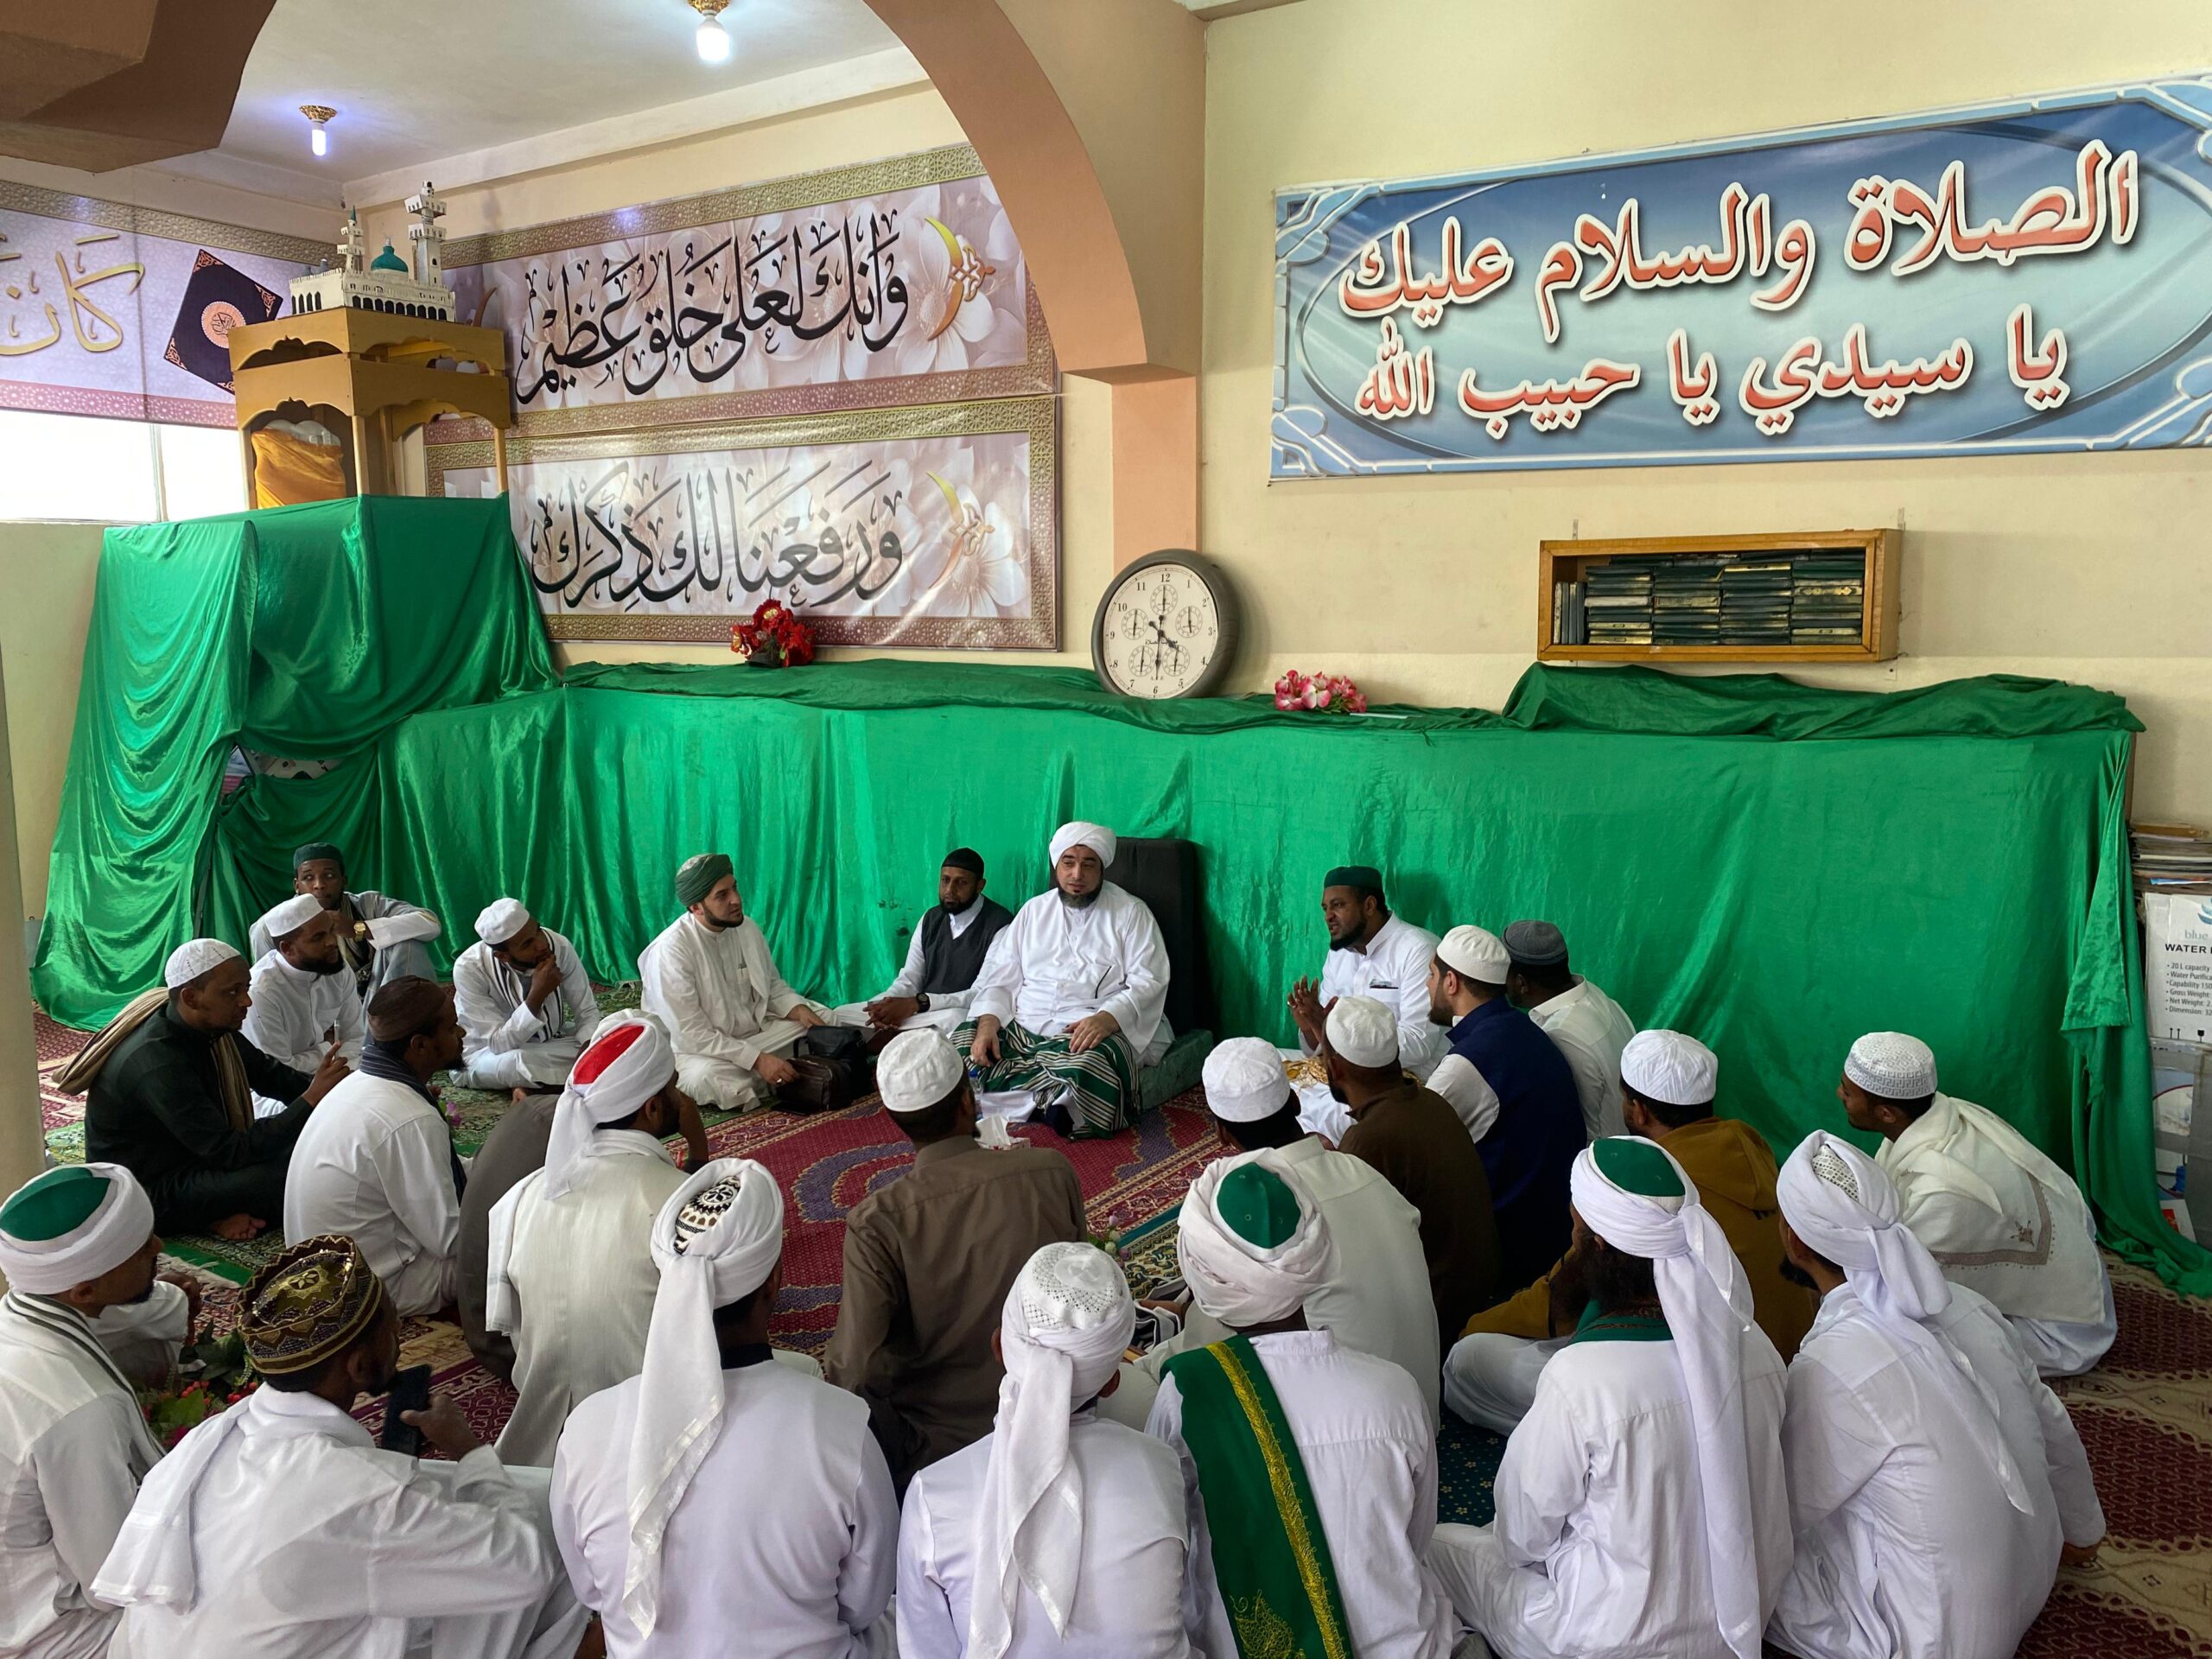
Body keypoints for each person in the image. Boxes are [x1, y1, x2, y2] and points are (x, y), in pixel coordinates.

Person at [93, 1234, 586, 1659]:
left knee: (519, 1498)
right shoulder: (355, 1490)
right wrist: (470, 1451)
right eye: (392, 1325)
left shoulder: (214, 1437)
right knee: (562, 1536)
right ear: (358, 1366)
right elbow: (527, 1568)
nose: (399, 1337)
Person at [1427, 1137, 1792, 1659]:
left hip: (1606, 1640)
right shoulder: (1758, 1350)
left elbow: (1521, 1537)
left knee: (1438, 1545)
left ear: (1597, 1244)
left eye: (1575, 1229)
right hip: (1739, 1621)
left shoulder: (1579, 1377)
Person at [1766, 1132, 2107, 1659]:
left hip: (1941, 1637)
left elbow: (1785, 1508)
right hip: (2034, 1573)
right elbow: (2052, 1421)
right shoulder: (1965, 1302)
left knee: (1745, 1541)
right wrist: (2082, 1532)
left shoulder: (1832, 1366)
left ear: (1794, 1240)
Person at [552, 1159, 898, 1658]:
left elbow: (590, 1591)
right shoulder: (841, 1428)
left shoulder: (586, 1428)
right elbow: (864, 1603)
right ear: (774, 1281)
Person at [1148, 1153, 1458, 1659]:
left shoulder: (1188, 1395)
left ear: (1208, 1278)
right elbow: (1416, 1538)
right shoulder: (1394, 1388)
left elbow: (1170, 1552)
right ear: (1312, 1254)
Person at [1446, 1030, 1816, 1433]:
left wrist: (1472, 1326)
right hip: (1776, 1367)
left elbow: (1560, 1298)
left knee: (1471, 1357)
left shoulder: (1651, 1184)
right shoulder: (1752, 1149)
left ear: (1638, 1111)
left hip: (1701, 1385)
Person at [1115, 1036, 1441, 1427]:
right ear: (1297, 1103)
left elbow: (1207, 1345)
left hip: (1340, 1420)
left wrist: (1142, 1362)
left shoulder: (1257, 1225)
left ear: (1222, 1134)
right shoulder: (1362, 1171)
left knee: (1130, 1392)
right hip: (1419, 1406)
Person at [899, 1243, 1191, 1659]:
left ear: (1000, 1348)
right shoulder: (1161, 1467)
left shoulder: (932, 1497)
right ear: (1113, 1380)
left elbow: (926, 1649)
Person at [824, 1029, 1088, 1487]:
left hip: (940, 1455)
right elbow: (1088, 1293)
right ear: (968, 1101)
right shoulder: (1050, 1171)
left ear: (892, 1118)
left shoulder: (878, 1222)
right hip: (1061, 1421)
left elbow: (855, 1371)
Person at [487, 1011, 710, 1464]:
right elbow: (712, 1331)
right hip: (647, 1443)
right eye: (673, 1087)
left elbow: (516, 1331)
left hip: (540, 1442)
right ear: (652, 1108)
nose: (682, 1097)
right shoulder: (680, 1199)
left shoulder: (524, 1195)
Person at [1841, 1032, 2116, 1376]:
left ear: (1886, 1113)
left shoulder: (1943, 1192)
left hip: (2060, 1334)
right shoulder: (1948, 1114)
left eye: (1847, 1093)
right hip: (2070, 1283)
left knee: (1894, 1337)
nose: (1839, 1096)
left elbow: (1909, 1289)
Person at [0, 1164, 170, 1659]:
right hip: (56, 1638)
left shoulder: (16, 1320)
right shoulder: (81, 1409)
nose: (158, 1246)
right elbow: (112, 1580)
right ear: (84, 1292)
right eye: (140, 1248)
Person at [84, 939, 347, 1241]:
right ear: (191, 998)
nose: (246, 1001)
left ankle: (217, 1213)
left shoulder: (212, 1030)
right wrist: (311, 1100)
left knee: (315, 1144)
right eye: (232, 992)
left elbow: (273, 1077)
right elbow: (230, 1152)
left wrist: (342, 1094)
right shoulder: (157, 1062)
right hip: (148, 1191)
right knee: (294, 1170)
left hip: (196, 1157)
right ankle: (201, 1217)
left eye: (246, 988)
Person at [959, 823, 1173, 1138]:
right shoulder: (1033, 911)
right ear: (1056, 866)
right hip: (1025, 1022)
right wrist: (988, 1024)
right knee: (960, 1046)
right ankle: (1046, 1104)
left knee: (1090, 1065)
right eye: (1068, 863)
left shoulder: (1131, 913)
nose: (1077, 875)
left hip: (1086, 1026)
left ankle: (1013, 1102)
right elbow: (1001, 978)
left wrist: (1108, 1019)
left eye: (1088, 865)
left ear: (1102, 869)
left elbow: (1149, 980)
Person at [283, 977, 466, 1318]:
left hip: (322, 1276)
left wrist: (492, 1167)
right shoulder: (410, 1118)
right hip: (372, 1290)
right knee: (514, 1244)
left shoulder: (358, 1084)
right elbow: (451, 1240)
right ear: (420, 1045)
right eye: (452, 1027)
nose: (463, 1033)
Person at [1324, 995, 1501, 1344]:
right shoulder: (1430, 1100)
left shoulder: (1369, 1139)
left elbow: (1345, 1253)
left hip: (1438, 1318)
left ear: (1335, 1068)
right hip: (1479, 1293)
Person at [1425, 925, 1586, 1294]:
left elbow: (1416, 1145)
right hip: (1556, 1230)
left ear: (1451, 982)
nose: (1426, 984)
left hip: (1512, 1254)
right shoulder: (1527, 1030)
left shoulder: (1469, 1062)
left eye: (1431, 975)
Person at [639, 851, 836, 1110]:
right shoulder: (671, 951)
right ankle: (786, 1071)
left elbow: (771, 985)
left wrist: (797, 1009)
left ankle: (777, 1074)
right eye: (722, 896)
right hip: (701, 1052)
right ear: (696, 907)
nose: (736, 900)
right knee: (707, 1077)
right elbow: (691, 1035)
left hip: (758, 1036)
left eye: (735, 888)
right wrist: (756, 1060)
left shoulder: (746, 928)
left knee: (825, 1018)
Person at [1285, 865, 1443, 1137]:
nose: (1328, 916)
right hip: (1342, 1072)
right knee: (1264, 1071)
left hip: (1400, 1081)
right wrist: (1311, 1027)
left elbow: (1419, 1043)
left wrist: (1333, 1035)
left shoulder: (1417, 949)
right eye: (1325, 908)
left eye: (1338, 905)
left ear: (1369, 906)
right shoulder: (1339, 953)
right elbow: (1321, 1044)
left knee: (1329, 1113)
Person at [845, 849, 1015, 1041]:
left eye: (961, 882)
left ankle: (889, 1039)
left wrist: (919, 1003)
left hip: (944, 1013)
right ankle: (894, 1035)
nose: (950, 890)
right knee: (839, 1014)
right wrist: (885, 1006)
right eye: (945, 880)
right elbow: (910, 978)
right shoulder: (930, 919)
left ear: (979, 886)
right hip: (919, 1014)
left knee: (957, 1019)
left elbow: (981, 994)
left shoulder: (1000, 925)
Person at [251, 841, 440, 1003]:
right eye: (308, 878)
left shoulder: (368, 905)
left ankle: (405, 1023)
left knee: (408, 943)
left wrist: (359, 929)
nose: (319, 885)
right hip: (311, 1007)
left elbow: (430, 923)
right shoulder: (269, 927)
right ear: (297, 886)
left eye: (329, 876)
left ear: (344, 881)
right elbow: (268, 983)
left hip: (376, 1001)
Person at [457, 1085, 560, 1382]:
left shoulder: (528, 1110)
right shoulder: (587, 1141)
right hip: (523, 1354)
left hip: (480, 1331)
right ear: (651, 1108)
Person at [1501, 919, 1637, 1141]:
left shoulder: (1560, 1034)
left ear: (1521, 982)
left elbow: (1578, 1124)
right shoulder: (1593, 994)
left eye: (1503, 976)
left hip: (1600, 1155)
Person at [452, 899, 601, 1094]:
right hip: (490, 1053)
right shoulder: (470, 969)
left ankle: (547, 1082)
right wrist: (536, 996)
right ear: (502, 956)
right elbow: (497, 1043)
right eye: (528, 944)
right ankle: (575, 1080)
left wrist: (590, 1051)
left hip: (553, 1042)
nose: (542, 944)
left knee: (615, 1030)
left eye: (537, 930)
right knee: (516, 1063)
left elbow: (587, 1011)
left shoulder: (559, 945)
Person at [242, 895, 365, 1117]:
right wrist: (327, 1049)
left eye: (331, 931)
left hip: (338, 1074)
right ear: (288, 949)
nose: (332, 942)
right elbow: (279, 1072)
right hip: (275, 1095)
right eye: (318, 937)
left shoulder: (335, 967)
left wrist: (337, 1071)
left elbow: (355, 1038)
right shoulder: (261, 993)